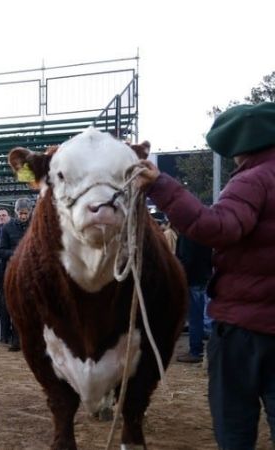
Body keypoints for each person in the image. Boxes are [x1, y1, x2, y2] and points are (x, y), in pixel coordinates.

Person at [136, 102, 275, 449]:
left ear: (237, 146)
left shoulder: (255, 179)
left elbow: (217, 227)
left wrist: (160, 185)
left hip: (247, 328)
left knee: (235, 427)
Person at [0, 198, 32, 351]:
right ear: (16, 212)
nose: (23, 216)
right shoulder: (7, 228)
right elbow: (1, 251)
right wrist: (17, 253)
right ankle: (16, 340)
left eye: (25, 213)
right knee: (16, 307)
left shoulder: (35, 225)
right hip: (15, 272)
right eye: (20, 213)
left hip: (32, 273)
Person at [175, 235, 213, 363]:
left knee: (195, 317)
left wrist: (180, 277)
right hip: (202, 277)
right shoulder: (204, 233)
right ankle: (199, 349)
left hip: (192, 280)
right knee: (200, 315)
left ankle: (196, 351)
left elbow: (187, 259)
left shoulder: (187, 235)